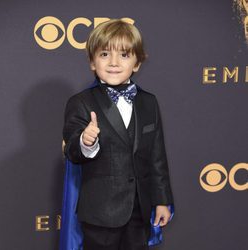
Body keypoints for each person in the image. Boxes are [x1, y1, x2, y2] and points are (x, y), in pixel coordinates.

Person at [62, 19, 174, 250]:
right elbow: (73, 151)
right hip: (100, 213)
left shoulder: (148, 102)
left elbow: (157, 156)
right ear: (92, 61)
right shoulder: (81, 102)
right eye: (104, 54)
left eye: (124, 55)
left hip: (139, 209)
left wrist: (162, 200)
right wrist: (85, 141)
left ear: (137, 63)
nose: (114, 63)